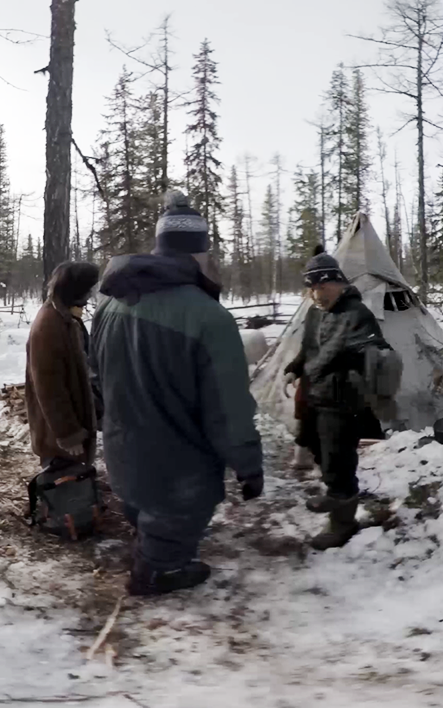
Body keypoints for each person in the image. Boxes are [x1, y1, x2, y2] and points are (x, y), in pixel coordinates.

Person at [90, 191, 263, 596]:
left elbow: (95, 373)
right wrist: (247, 463)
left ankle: (150, 540)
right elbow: (228, 406)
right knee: (181, 507)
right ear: (199, 253)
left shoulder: (110, 304)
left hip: (121, 449)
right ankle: (158, 571)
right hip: (177, 463)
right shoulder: (209, 318)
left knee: (143, 503)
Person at [283, 251, 387, 551]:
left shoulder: (357, 314)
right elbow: (308, 350)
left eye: (321, 287)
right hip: (316, 397)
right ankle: (336, 491)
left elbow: (376, 354)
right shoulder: (315, 313)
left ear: (337, 283)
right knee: (321, 453)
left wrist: (362, 359)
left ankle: (343, 524)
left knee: (339, 460)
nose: (315, 294)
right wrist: (293, 370)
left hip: (344, 402)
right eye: (311, 288)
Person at [24, 261, 102, 469]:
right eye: (88, 288)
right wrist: (68, 433)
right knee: (65, 487)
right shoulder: (49, 324)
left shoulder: (65, 316)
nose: (91, 293)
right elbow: (49, 387)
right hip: (56, 436)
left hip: (67, 424)